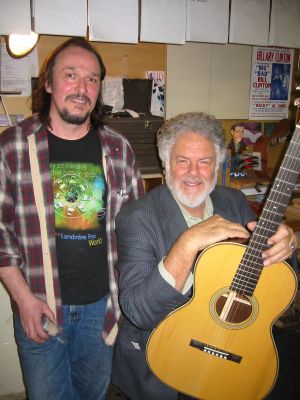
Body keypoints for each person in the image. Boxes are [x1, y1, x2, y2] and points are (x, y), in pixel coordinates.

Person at [111, 112, 298, 400]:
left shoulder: (233, 201)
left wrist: (286, 246)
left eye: (205, 162)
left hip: (236, 347)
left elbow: (271, 278)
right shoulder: (138, 218)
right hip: (165, 357)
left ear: (217, 164)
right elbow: (138, 311)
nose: (193, 173)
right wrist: (188, 242)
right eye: (183, 161)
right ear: (166, 164)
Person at [0, 37, 144, 400]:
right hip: (39, 304)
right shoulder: (12, 147)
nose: (82, 88)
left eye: (92, 79)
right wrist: (22, 299)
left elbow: (136, 229)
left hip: (102, 308)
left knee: (93, 395)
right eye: (71, 75)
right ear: (48, 83)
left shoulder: (118, 149)